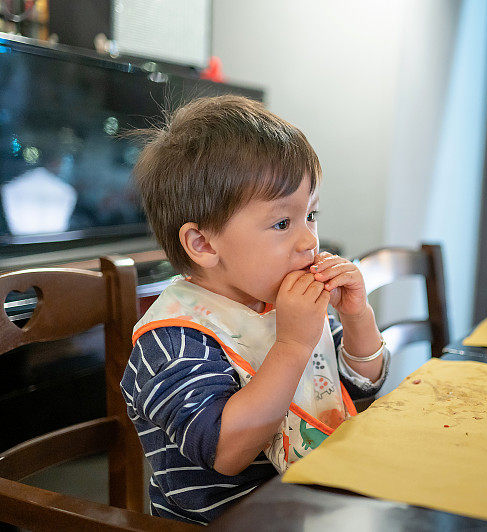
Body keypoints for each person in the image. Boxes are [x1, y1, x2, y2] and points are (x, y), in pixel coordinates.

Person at [120, 95, 389, 524]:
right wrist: (293, 343)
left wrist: (358, 317)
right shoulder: (171, 342)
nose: (309, 242)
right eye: (283, 223)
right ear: (203, 244)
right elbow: (227, 452)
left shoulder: (279, 300)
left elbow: (358, 390)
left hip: (312, 507)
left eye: (311, 214)